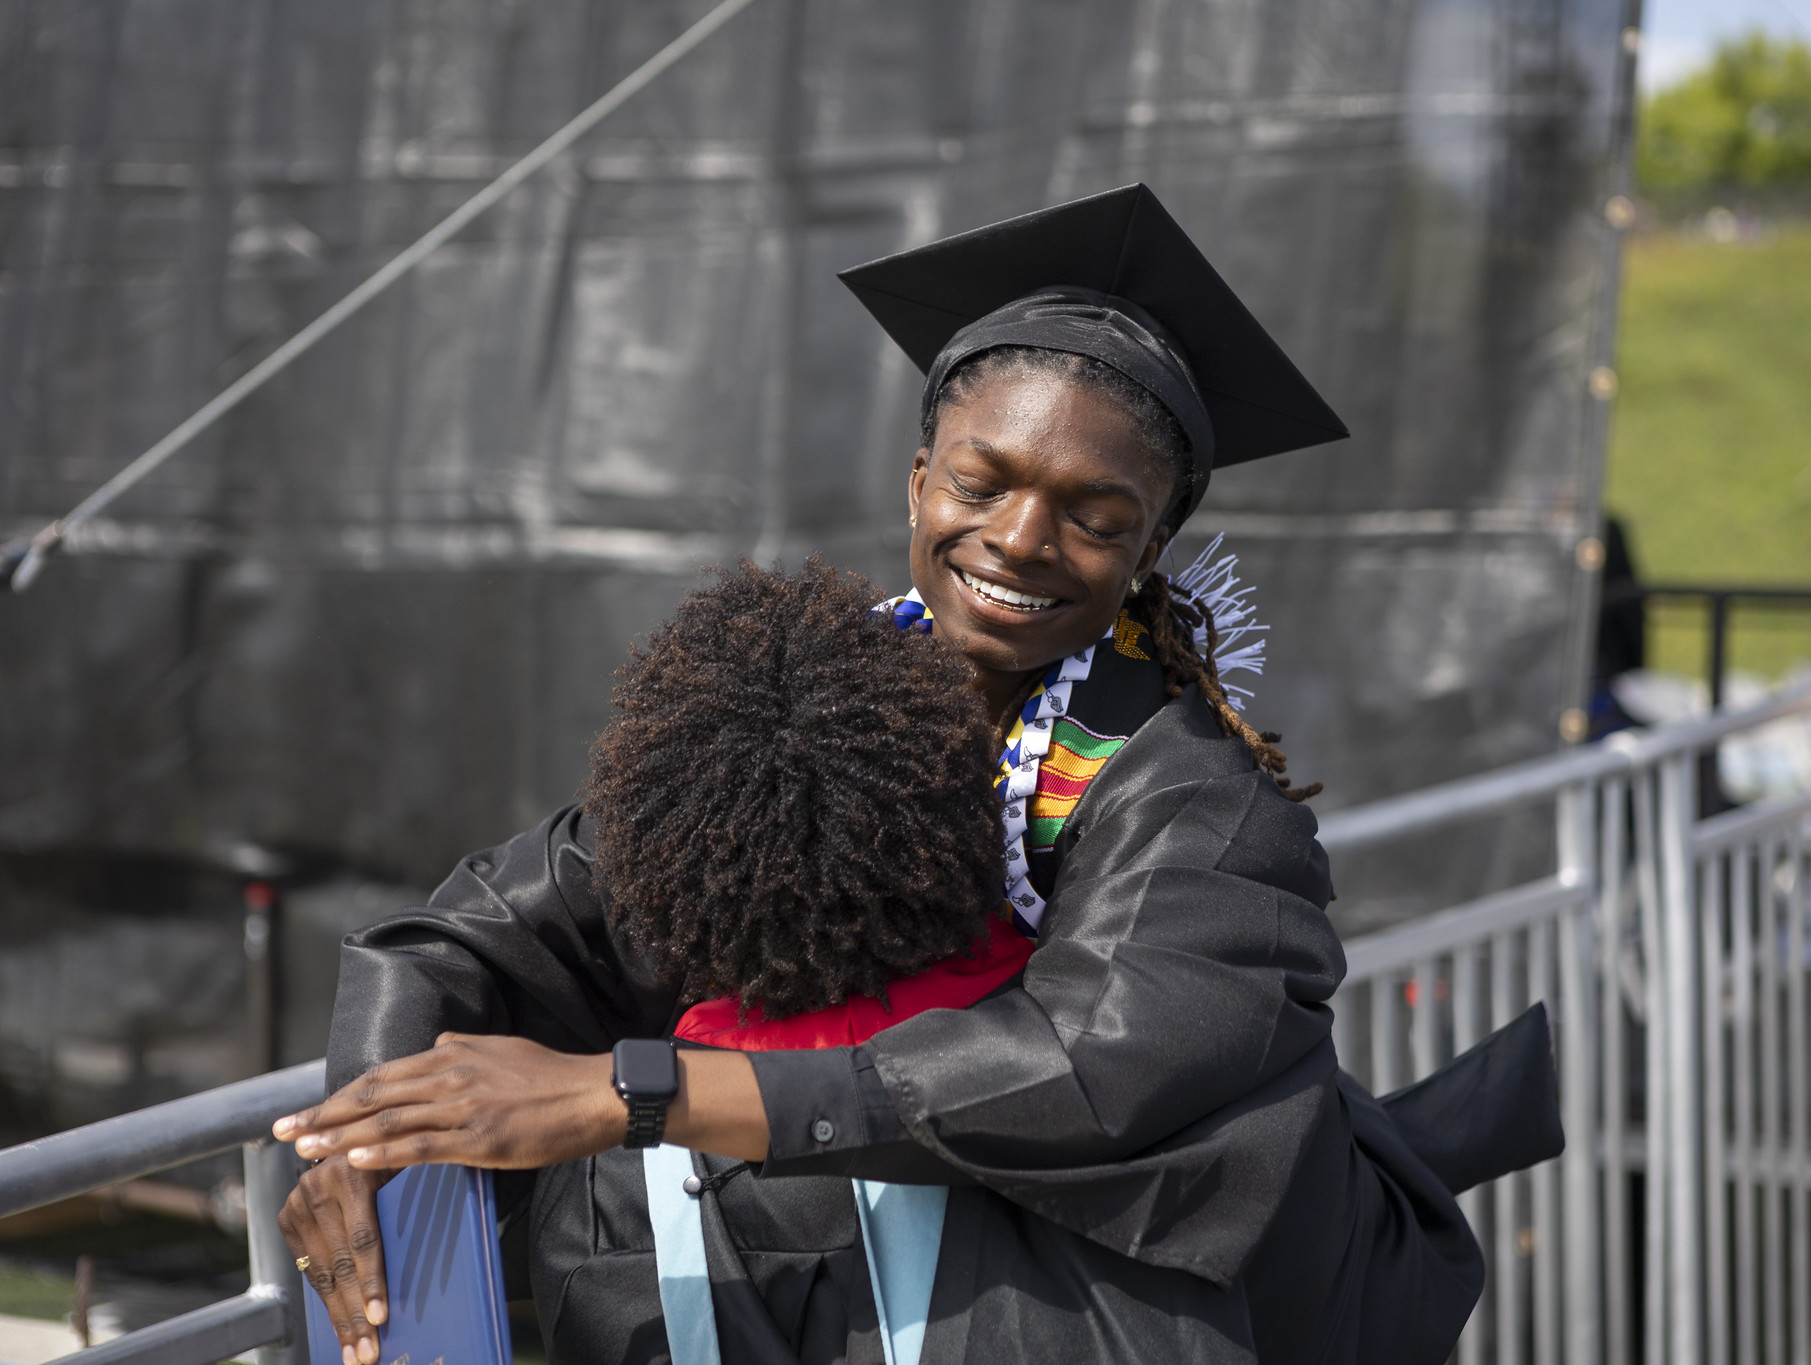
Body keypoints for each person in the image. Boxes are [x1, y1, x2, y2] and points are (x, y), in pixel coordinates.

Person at [274, 184, 1562, 1365]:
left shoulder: (1190, 795)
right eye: (981, 482)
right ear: (917, 482)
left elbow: (1085, 1065)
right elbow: (471, 937)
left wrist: (635, 1095)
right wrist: (361, 1137)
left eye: (1095, 516)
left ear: (1149, 544)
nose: (1020, 539)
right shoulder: (790, 708)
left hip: (1101, 1312)